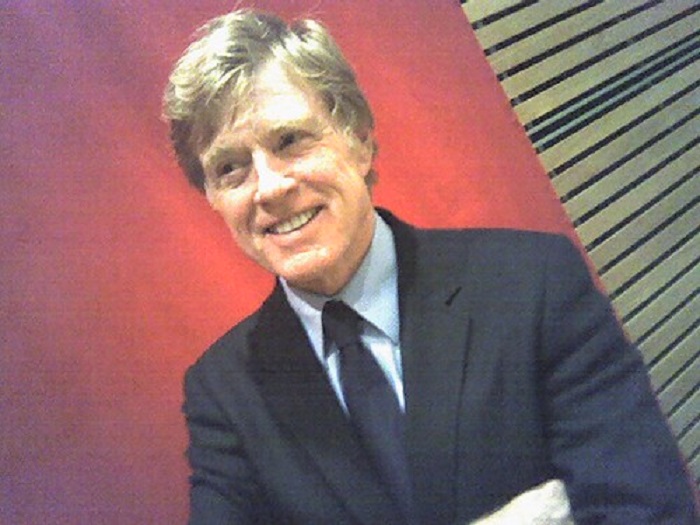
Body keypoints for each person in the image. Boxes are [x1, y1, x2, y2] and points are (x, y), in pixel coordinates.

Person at [163, 8, 697, 524]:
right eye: (230, 168)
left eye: (290, 140)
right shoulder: (224, 392)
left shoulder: (534, 283)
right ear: (212, 197)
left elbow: (648, 510)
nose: (270, 187)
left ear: (359, 141)